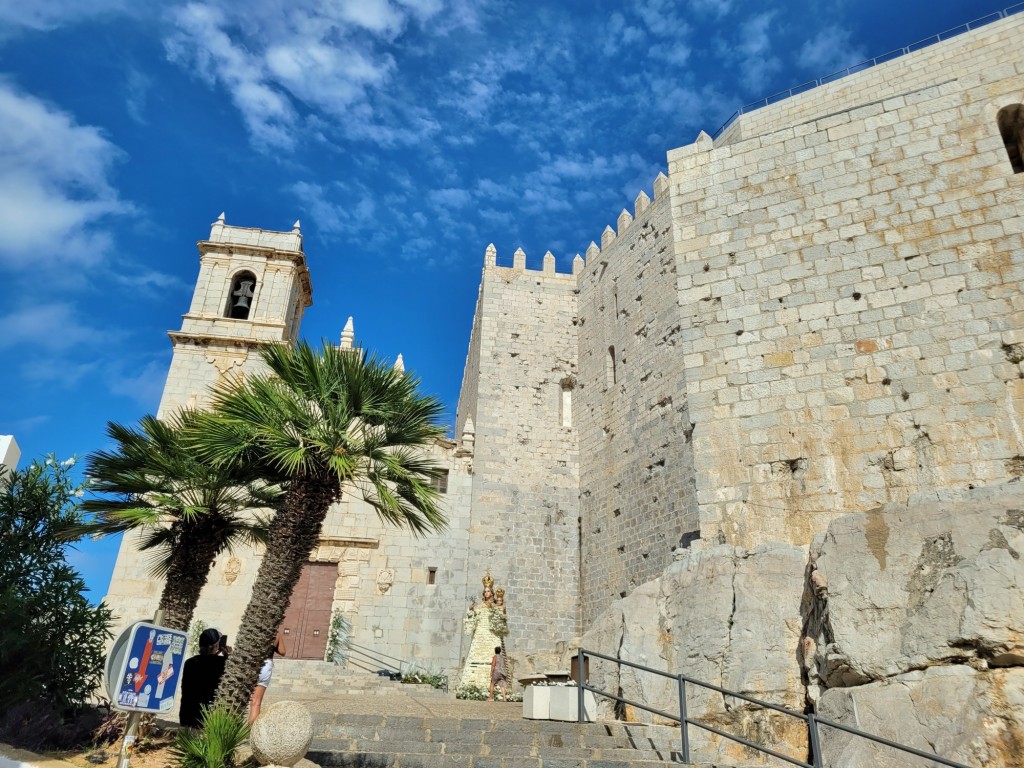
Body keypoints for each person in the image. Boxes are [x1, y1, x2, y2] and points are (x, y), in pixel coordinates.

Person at [179, 628, 230, 728]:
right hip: (207, 718)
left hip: (187, 717)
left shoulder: (190, 662)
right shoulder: (222, 663)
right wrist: (227, 656)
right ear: (216, 646)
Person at [248, 629, 286, 724]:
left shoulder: (254, 629)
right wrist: (273, 648)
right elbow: (283, 651)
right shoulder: (276, 633)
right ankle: (251, 733)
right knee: (255, 703)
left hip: (252, 664)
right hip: (266, 665)